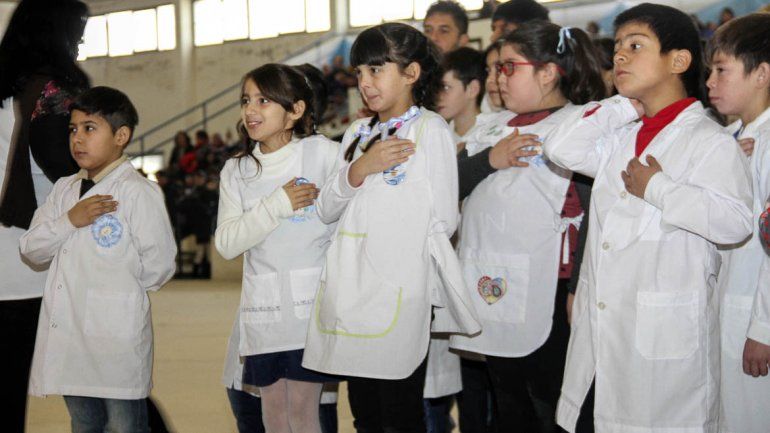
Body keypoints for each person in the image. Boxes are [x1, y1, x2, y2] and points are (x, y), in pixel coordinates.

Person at [540, 4, 753, 432]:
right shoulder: (619, 134)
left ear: (678, 61)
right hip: (603, 332)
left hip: (663, 343)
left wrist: (657, 188)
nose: (619, 57)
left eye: (635, 46)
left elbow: (735, 222)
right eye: (617, 48)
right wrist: (623, 107)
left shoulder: (709, 141)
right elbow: (560, 148)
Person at [302, 22, 480, 433]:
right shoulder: (356, 132)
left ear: (412, 73)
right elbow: (326, 208)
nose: (365, 82)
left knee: (399, 415)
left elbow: (443, 219)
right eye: (360, 73)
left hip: (399, 291)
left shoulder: (429, 129)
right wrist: (360, 169)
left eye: (376, 70)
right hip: (350, 291)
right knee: (365, 415)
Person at [449, 21, 605, 433]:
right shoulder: (491, 126)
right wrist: (490, 160)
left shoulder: (580, 123)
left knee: (550, 402)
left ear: (548, 71)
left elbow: (592, 210)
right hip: (491, 282)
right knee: (508, 399)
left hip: (551, 288)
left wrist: (576, 289)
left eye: (509, 67)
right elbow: (448, 186)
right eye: (498, 68)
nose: (499, 77)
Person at [19, 86, 176, 433]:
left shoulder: (138, 192)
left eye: (90, 128)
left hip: (116, 338)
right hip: (70, 337)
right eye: (73, 129)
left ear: (121, 135)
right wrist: (69, 221)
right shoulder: (63, 190)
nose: (78, 139)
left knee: (124, 426)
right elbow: (31, 248)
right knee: (84, 422)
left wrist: (116, 294)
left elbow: (160, 266)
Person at [215, 63, 339, 433]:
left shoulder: (323, 154)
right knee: (273, 417)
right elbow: (226, 243)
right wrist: (276, 204)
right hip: (264, 315)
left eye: (264, 100)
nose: (251, 110)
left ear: (295, 111)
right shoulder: (236, 170)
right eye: (246, 100)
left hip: (309, 314)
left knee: (304, 414)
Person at [0, 0, 90, 430]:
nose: (81, 40)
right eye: (77, 30)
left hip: (10, 268)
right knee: (107, 381)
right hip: (41, 269)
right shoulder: (52, 94)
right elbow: (72, 170)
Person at [706, 13, 770, 433]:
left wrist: (764, 328)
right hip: (724, 307)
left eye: (721, 70)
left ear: (762, 73)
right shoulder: (731, 139)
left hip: (752, 316)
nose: (710, 82)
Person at [437, 47, 486, 148]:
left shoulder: (493, 135)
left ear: (472, 89)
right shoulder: (438, 136)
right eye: (436, 88)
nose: (438, 96)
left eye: (446, 87)